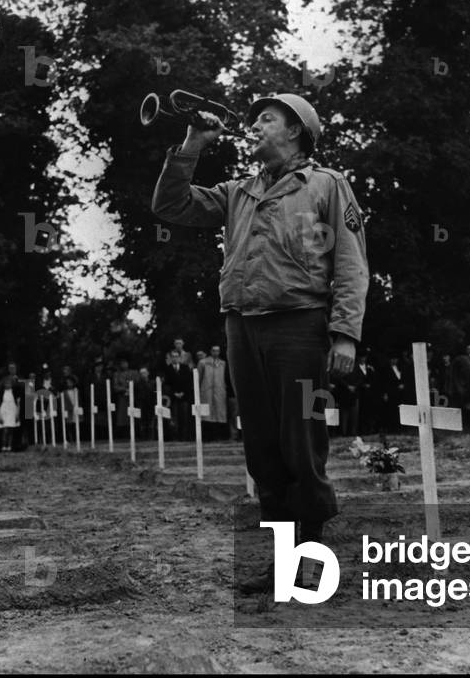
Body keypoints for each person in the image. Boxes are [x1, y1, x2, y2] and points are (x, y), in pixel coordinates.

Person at [152, 91, 368, 591]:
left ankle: (312, 566)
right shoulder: (238, 191)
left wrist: (345, 335)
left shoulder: (327, 185)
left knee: (302, 444)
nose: (254, 127)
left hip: (300, 325)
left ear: (294, 131)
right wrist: (191, 143)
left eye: (266, 119)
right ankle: (282, 568)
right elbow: (170, 204)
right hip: (242, 326)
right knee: (262, 452)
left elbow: (352, 264)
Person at [198, 345, 229, 440]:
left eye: (218, 351)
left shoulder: (223, 363)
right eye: (214, 351)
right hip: (206, 390)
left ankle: (219, 436)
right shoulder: (203, 363)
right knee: (207, 414)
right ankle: (207, 437)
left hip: (219, 391)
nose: (216, 353)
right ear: (210, 351)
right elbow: (199, 378)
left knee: (219, 413)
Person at [163, 353, 192, 440]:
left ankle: (183, 436)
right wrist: (174, 393)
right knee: (174, 417)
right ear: (171, 358)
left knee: (184, 417)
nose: (175, 358)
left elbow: (188, 382)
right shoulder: (167, 369)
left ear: (179, 358)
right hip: (172, 397)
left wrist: (183, 393)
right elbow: (166, 384)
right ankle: (174, 437)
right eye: (173, 357)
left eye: (176, 357)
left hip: (184, 396)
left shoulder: (185, 368)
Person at [0, 375, 21, 452]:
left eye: (9, 383)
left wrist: (17, 414)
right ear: (3, 384)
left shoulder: (15, 392)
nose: (7, 385)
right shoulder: (0, 393)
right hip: (4, 412)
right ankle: (3, 446)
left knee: (11, 430)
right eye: (6, 383)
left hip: (12, 411)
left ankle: (9, 446)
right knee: (5, 430)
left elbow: (18, 404)